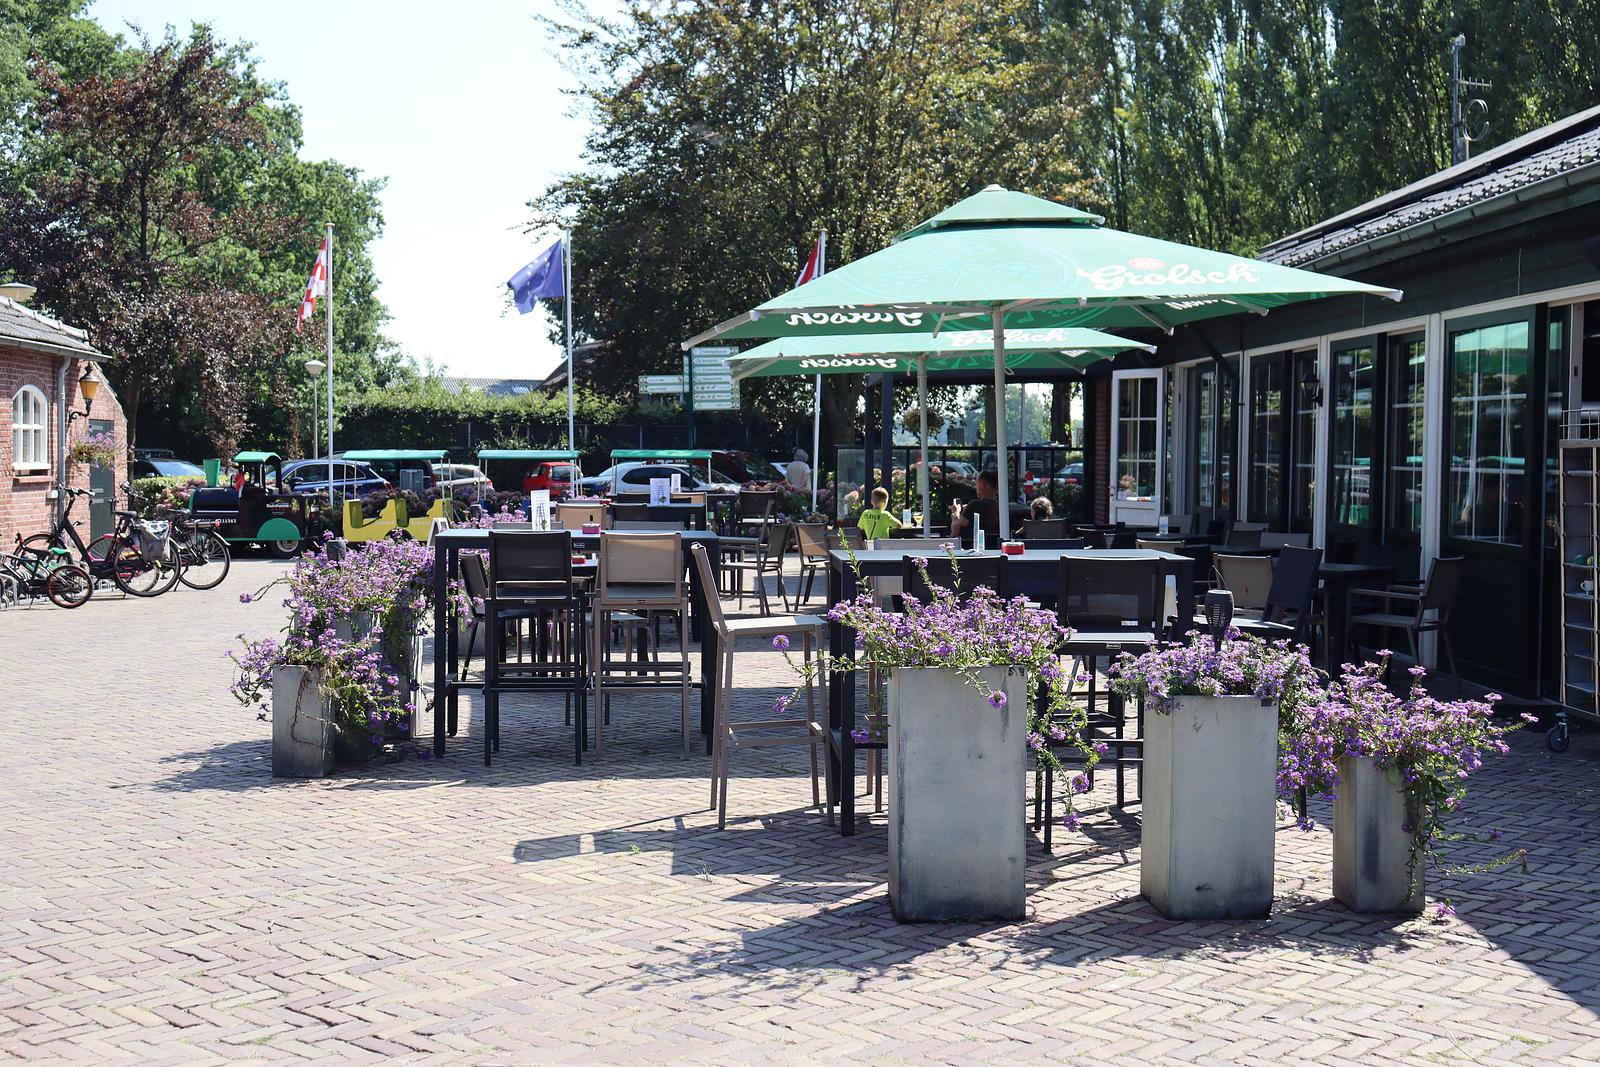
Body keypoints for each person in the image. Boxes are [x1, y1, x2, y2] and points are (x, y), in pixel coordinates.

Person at [950, 469, 1002, 547]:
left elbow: (956, 531)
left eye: (976, 483)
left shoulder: (974, 505)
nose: (975, 486)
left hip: (973, 549)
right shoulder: (1000, 507)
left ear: (983, 484)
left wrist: (956, 513)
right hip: (995, 548)